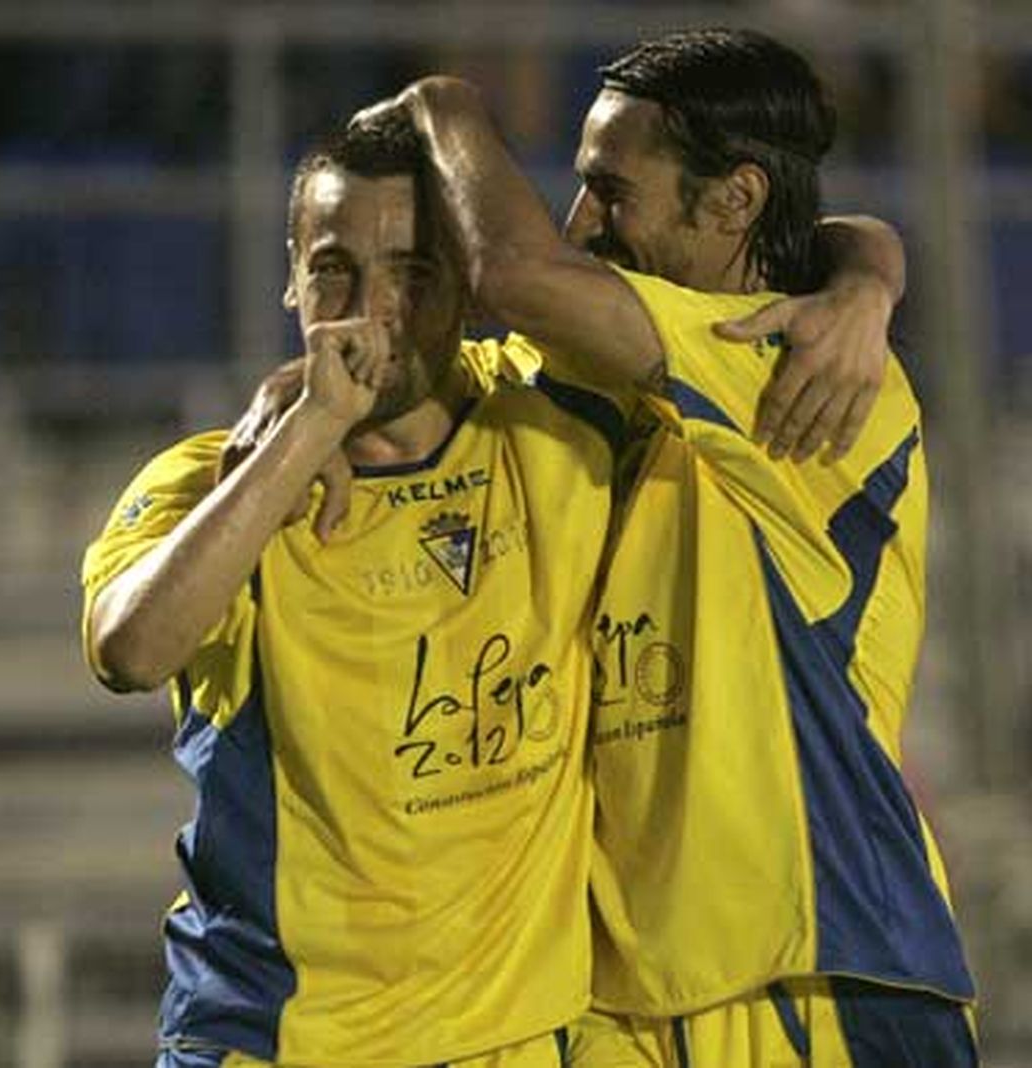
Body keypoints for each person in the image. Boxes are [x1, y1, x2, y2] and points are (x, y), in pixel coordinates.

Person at [374, 27, 978, 1067]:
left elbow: (512, 270)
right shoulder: (597, 377)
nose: (581, 223)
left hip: (821, 975)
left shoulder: (798, 368)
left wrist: (443, 105)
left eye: (611, 193)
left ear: (734, 201)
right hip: (628, 1000)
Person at [81, 113, 620, 1068]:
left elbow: (725, 280)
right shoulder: (210, 483)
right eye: (335, 270)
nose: (373, 314)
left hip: (515, 1042)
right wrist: (305, 433)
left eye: (413, 276)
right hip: (279, 1045)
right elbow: (131, 649)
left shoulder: (556, 432)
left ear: (467, 287)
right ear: (289, 279)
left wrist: (871, 271)